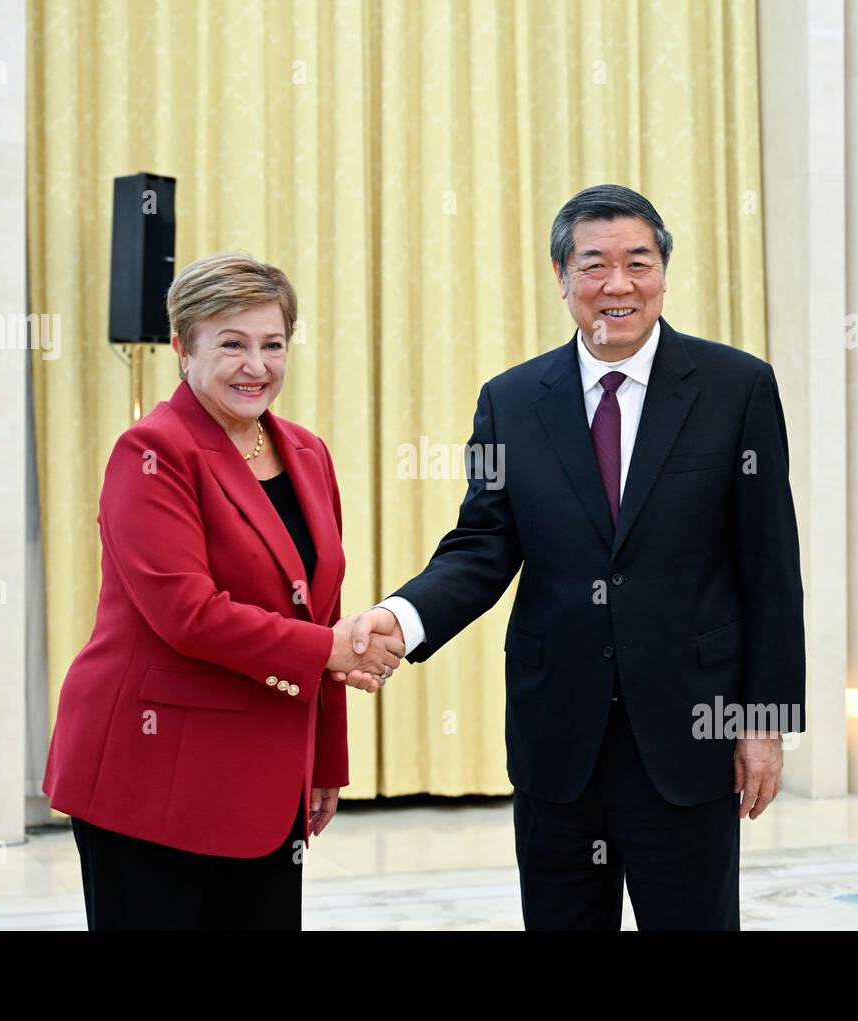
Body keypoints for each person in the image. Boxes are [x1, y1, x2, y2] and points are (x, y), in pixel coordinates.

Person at [337, 184, 807, 930]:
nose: (617, 285)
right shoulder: (511, 401)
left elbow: (771, 567)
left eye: (638, 263)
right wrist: (401, 617)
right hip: (559, 733)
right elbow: (482, 545)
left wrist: (764, 721)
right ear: (561, 279)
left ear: (664, 273)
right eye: (594, 265)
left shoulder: (737, 388)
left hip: (691, 732)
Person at [42, 251, 404, 930]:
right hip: (149, 778)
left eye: (272, 344)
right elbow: (189, 614)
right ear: (182, 348)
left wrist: (324, 760)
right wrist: (335, 645)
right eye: (231, 344)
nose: (256, 366)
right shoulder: (150, 452)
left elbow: (315, 608)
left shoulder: (307, 451)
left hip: (267, 783)